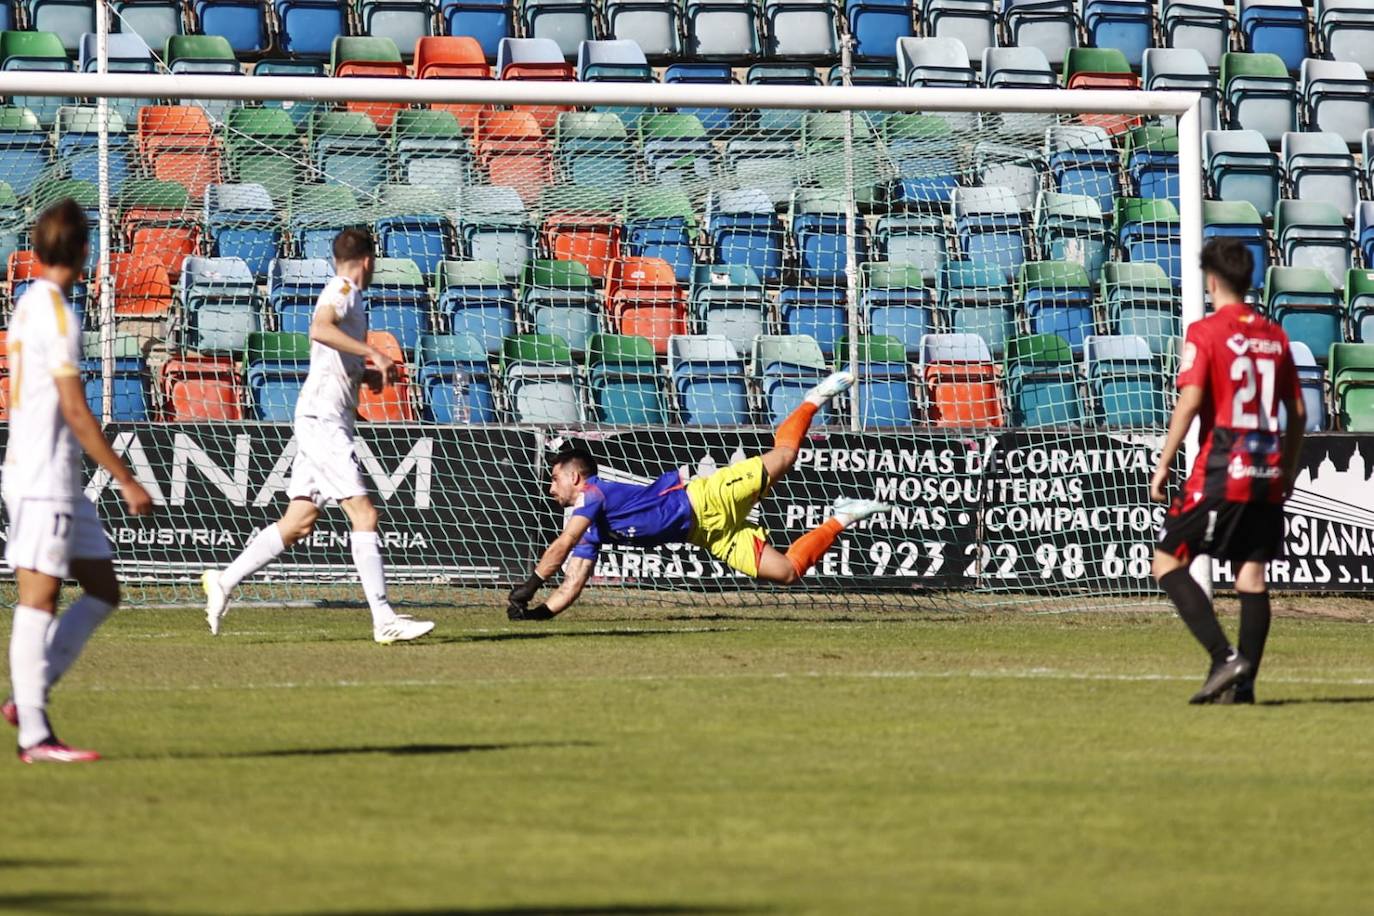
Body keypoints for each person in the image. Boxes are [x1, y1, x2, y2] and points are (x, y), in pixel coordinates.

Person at [201, 228, 433, 644]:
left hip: (325, 416)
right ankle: (383, 619)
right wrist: (373, 353)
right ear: (368, 261)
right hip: (322, 420)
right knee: (364, 514)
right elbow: (319, 329)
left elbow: (333, 355)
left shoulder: (350, 294)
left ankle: (224, 579)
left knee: (298, 522)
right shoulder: (343, 288)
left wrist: (365, 376)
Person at [508, 371, 890, 620]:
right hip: (709, 535)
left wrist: (531, 583)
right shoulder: (590, 523)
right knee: (788, 572)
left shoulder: (592, 494)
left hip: (706, 499)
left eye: (555, 478)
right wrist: (540, 614)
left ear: (575, 477)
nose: (550, 487)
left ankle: (813, 398)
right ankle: (843, 516)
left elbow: (563, 543)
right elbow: (574, 580)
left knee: (786, 456)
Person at [1, 199, 154, 763]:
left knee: (103, 589)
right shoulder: (58, 315)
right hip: (42, 475)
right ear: (86, 252)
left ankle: (27, 698)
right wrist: (127, 480)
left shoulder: (29, 303)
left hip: (54, 475)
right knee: (38, 599)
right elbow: (76, 410)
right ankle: (35, 735)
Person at [1150, 237, 1305, 705]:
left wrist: (1165, 461)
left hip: (1222, 470)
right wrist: (1288, 470)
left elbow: (1192, 400)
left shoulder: (1206, 332)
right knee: (1251, 579)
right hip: (1265, 470)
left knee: (1167, 562)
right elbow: (1297, 413)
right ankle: (1245, 687)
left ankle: (1224, 658)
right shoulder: (1274, 335)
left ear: (1212, 280)